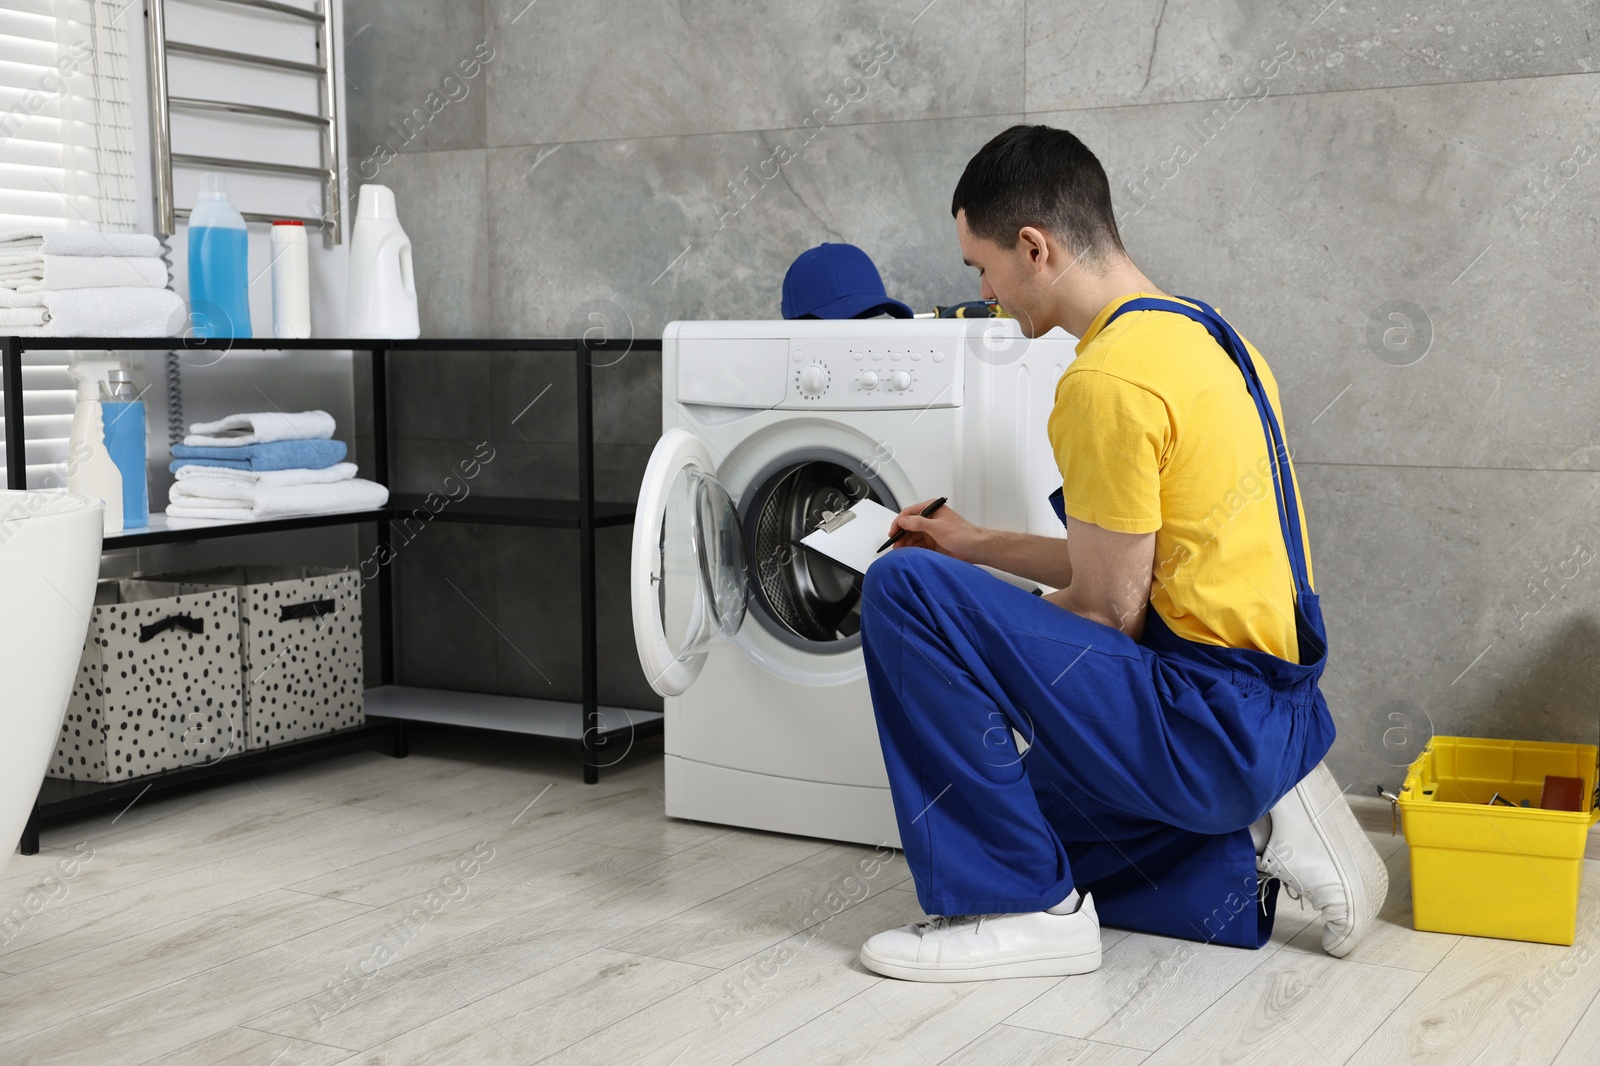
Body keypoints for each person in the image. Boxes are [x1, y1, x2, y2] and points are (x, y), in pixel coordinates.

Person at [855, 124, 1388, 982]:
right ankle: (1258, 827)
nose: (984, 293)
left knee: (905, 589)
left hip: (1204, 719)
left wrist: (972, 629)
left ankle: (1032, 913)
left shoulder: (1103, 383)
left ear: (1033, 247)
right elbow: (1129, 566)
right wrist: (969, 544)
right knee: (1025, 819)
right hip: (1265, 705)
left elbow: (1109, 611)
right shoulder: (1208, 338)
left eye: (979, 267)